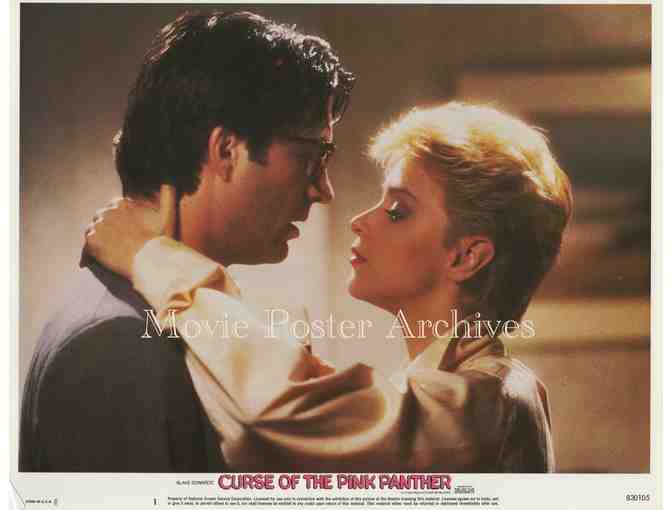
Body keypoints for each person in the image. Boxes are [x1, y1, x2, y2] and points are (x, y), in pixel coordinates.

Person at [86, 102, 573, 472]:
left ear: (466, 256)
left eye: (397, 211)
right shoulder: (464, 391)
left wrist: (149, 256)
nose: (360, 220)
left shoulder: (489, 403)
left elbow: (278, 406)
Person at [19, 10, 354, 472]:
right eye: (311, 158)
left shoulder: (156, 317)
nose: (323, 191)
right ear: (226, 151)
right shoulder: (118, 340)